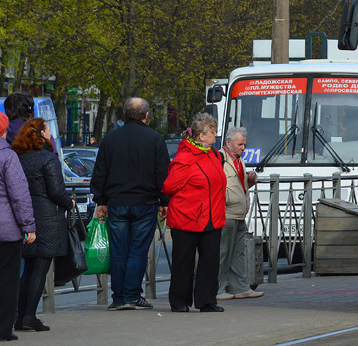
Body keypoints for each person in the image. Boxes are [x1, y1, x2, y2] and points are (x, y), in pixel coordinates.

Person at [90, 97, 170, 311]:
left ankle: (118, 297)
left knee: (119, 250)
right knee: (137, 251)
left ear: (125, 115)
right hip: (145, 202)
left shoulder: (110, 139)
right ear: (146, 115)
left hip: (117, 202)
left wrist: (101, 201)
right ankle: (133, 295)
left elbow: (100, 172)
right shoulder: (155, 139)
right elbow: (162, 174)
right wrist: (164, 201)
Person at [12, 119, 73, 333]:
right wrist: (69, 203)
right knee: (40, 268)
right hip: (47, 218)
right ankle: (29, 316)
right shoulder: (48, 158)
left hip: (24, 216)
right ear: (43, 135)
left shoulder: (17, 157)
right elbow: (56, 191)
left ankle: (20, 317)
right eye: (48, 131)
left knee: (27, 270)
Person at [0, 111, 35, 342]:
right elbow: (19, 195)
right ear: (3, 130)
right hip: (5, 229)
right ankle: (3, 330)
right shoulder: (7, 156)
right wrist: (28, 225)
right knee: (6, 281)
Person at [163, 113, 227, 313]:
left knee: (210, 261)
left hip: (212, 216)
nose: (216, 136)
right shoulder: (185, 158)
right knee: (184, 262)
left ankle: (207, 300)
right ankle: (179, 301)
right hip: (187, 217)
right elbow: (169, 187)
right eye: (213, 132)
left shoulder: (215, 155)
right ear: (201, 136)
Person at [216, 127, 262, 301]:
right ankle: (219, 288)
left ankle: (240, 287)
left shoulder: (238, 161)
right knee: (223, 253)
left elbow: (239, 187)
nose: (243, 148)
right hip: (226, 214)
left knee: (238, 254)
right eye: (239, 144)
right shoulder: (220, 158)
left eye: (244, 144)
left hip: (239, 213)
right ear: (228, 143)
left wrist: (251, 180)